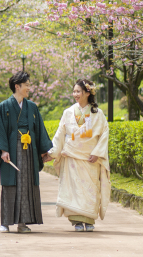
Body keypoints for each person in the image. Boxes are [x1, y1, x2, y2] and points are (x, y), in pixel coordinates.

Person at [0, 71, 53, 233]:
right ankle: (5, 222)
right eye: (26, 85)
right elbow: (0, 131)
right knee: (10, 185)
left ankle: (22, 223)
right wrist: (3, 150)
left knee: (26, 185)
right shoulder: (4, 107)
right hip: (11, 150)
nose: (29, 88)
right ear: (17, 86)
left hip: (29, 152)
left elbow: (39, 130)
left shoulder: (31, 107)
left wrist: (43, 152)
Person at [47, 79, 111, 232]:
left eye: (78, 91)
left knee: (90, 188)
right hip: (72, 157)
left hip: (90, 158)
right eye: (74, 91)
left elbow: (104, 134)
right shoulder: (68, 112)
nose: (75, 94)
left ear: (87, 93)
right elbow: (60, 134)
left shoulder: (98, 113)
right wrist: (52, 152)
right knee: (73, 188)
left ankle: (89, 219)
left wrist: (97, 153)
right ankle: (76, 221)